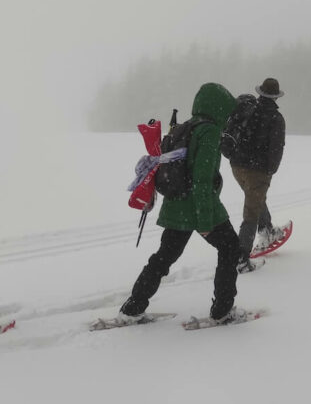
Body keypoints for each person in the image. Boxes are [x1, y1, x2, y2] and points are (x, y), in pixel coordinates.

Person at [118, 82, 241, 323]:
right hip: (198, 206)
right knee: (230, 248)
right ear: (219, 109)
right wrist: (205, 219)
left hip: (176, 206)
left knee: (163, 257)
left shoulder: (185, 127)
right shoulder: (210, 132)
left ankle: (133, 308)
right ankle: (223, 311)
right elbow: (202, 180)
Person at [228, 77, 286, 273]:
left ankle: (267, 230)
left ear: (261, 93)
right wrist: (270, 170)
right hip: (257, 171)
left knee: (255, 198)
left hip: (236, 167)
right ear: (276, 97)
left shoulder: (247, 109)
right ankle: (241, 259)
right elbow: (276, 149)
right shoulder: (276, 119)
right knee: (251, 212)